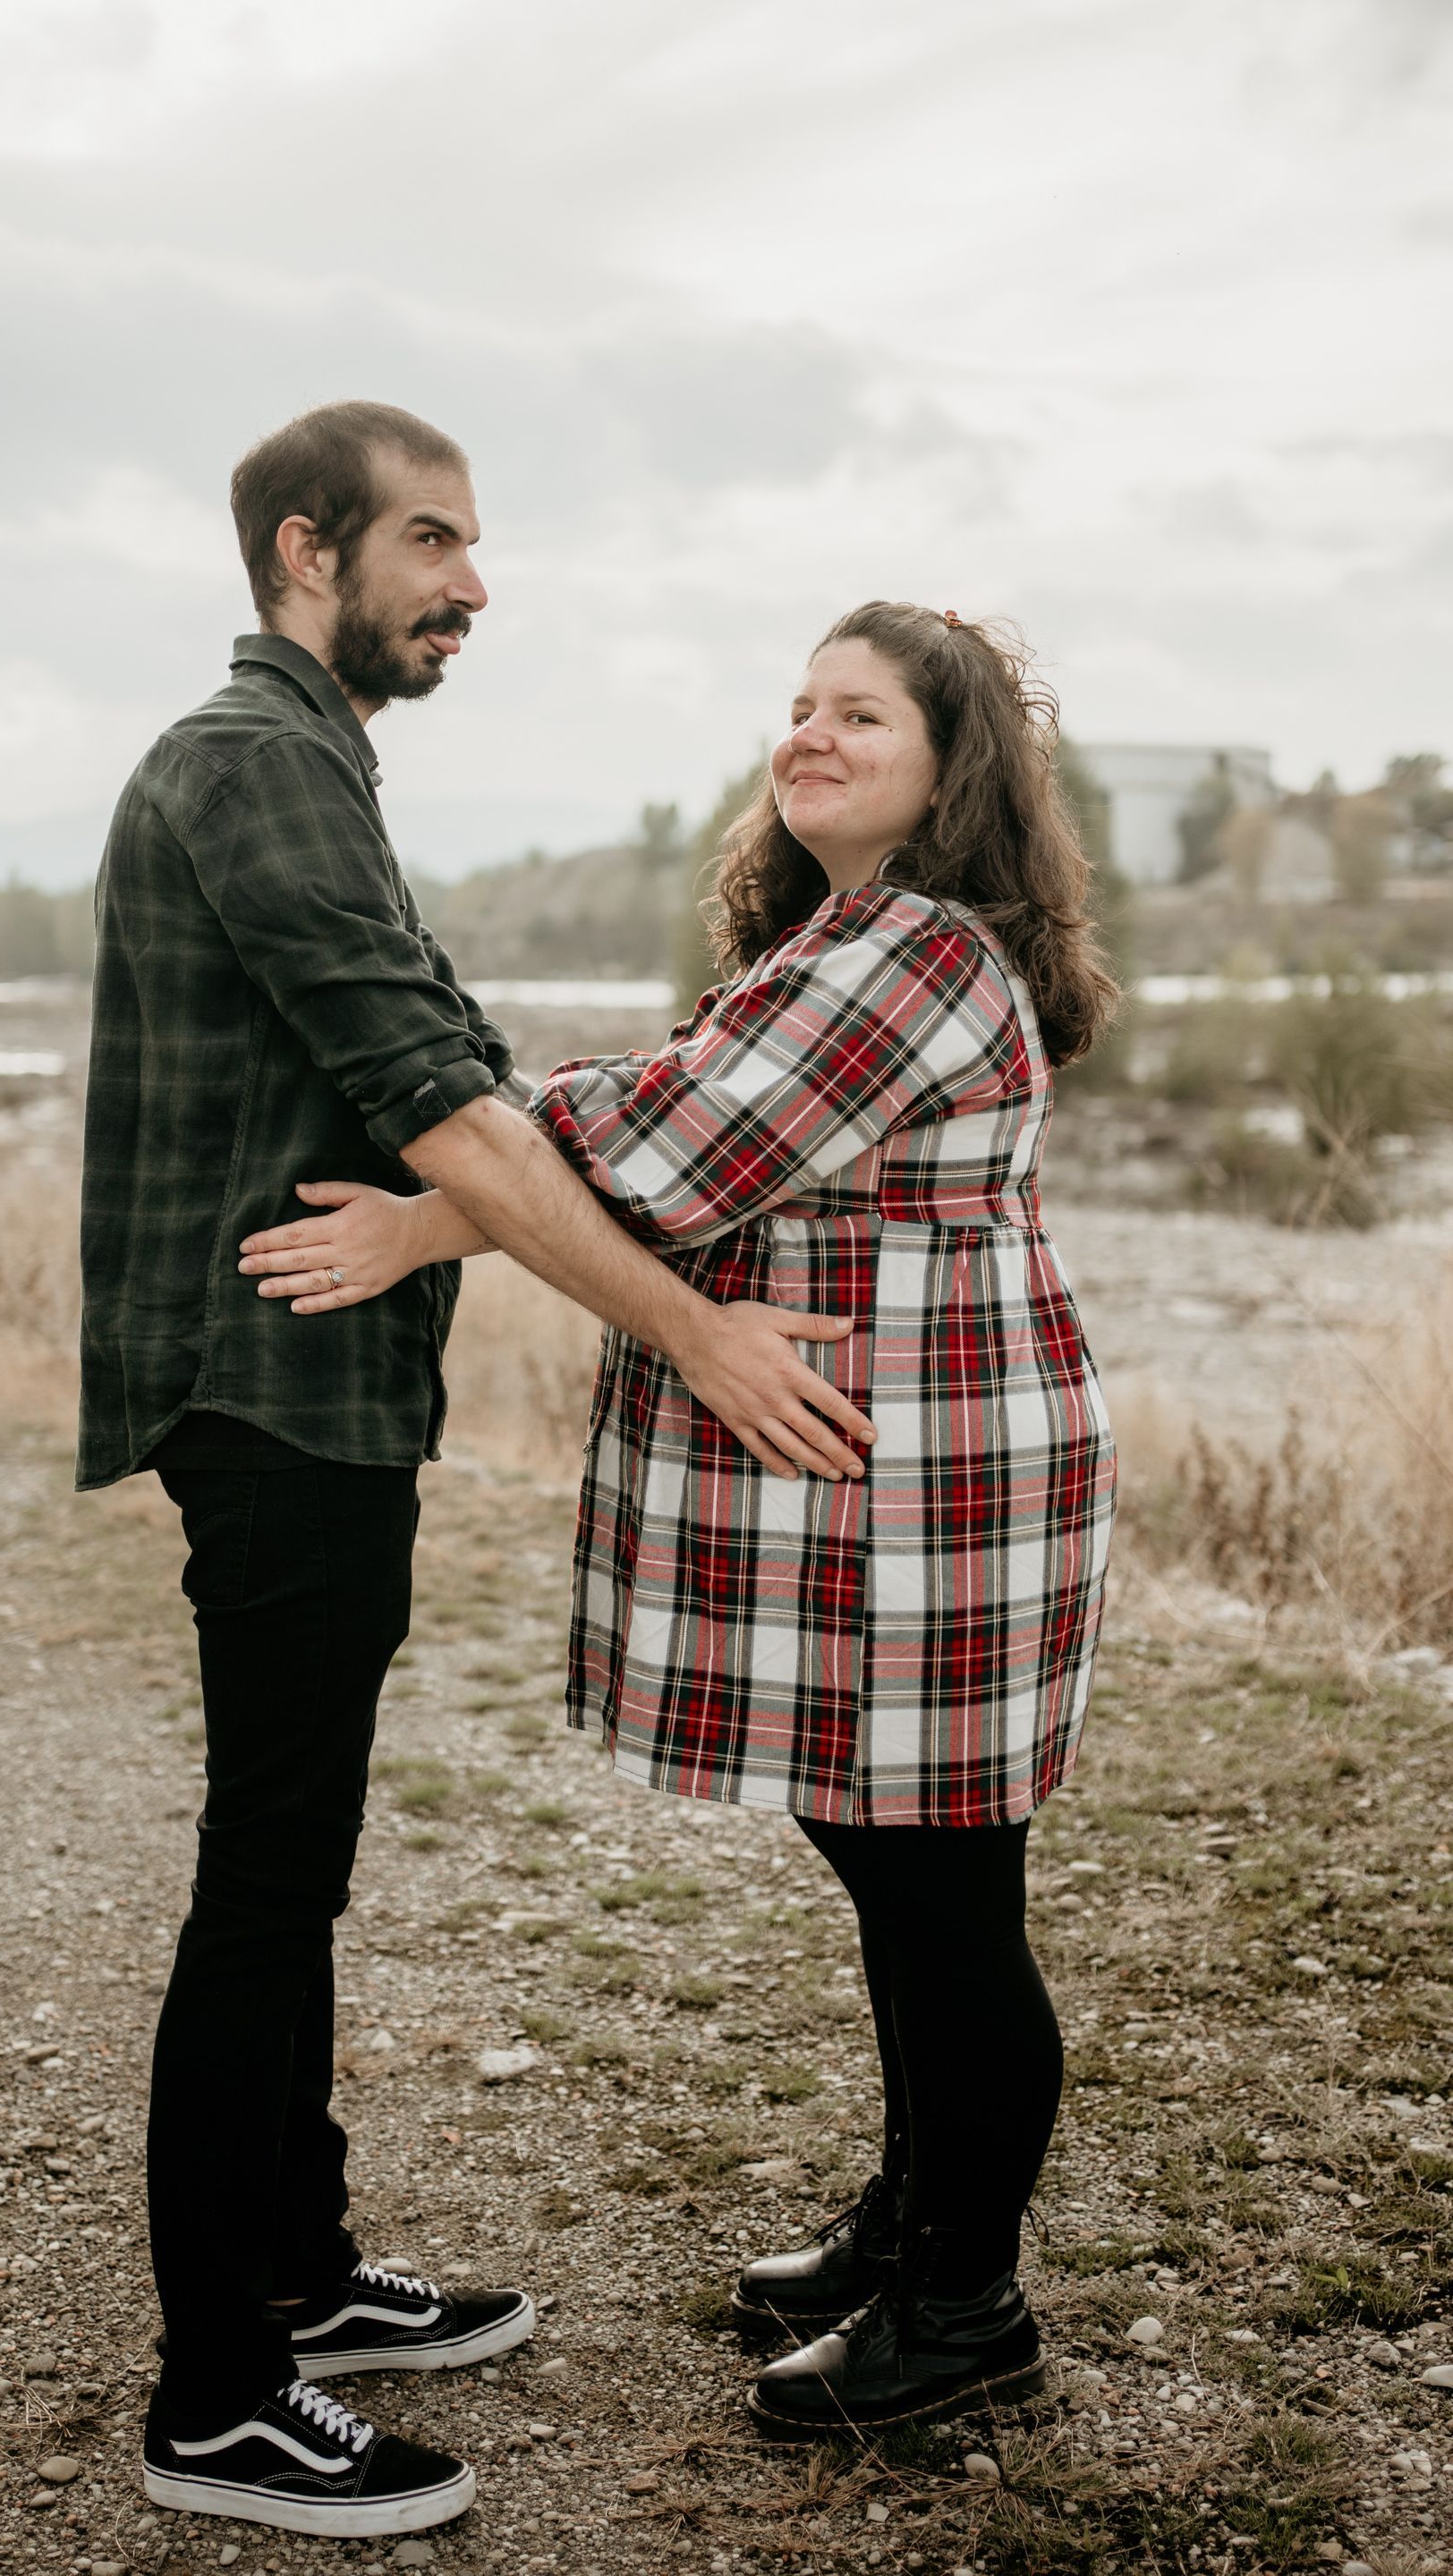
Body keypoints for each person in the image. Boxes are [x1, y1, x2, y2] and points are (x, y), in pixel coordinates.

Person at [76, 400, 879, 2539]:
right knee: (267, 1878)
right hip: (266, 1389)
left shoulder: (308, 765)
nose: (475, 583)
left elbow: (462, 1074)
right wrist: (692, 1328)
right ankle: (218, 2394)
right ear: (305, 553)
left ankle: (305, 2271)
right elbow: (443, 1102)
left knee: (304, 1855)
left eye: (475, 542)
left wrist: (477, 1198)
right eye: (434, 541)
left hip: (318, 1386)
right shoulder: (252, 764)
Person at [237, 597, 1121, 2442]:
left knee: (944, 1895)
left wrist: (433, 1194)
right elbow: (665, 1127)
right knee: (892, 1865)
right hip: (875, 1463)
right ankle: (916, 2222)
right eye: (795, 708)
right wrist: (499, 1164)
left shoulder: (917, 950)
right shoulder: (841, 938)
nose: (807, 736)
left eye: (859, 716)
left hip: (928, 1474)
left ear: (952, 769)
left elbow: (669, 1134)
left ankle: (968, 2306)